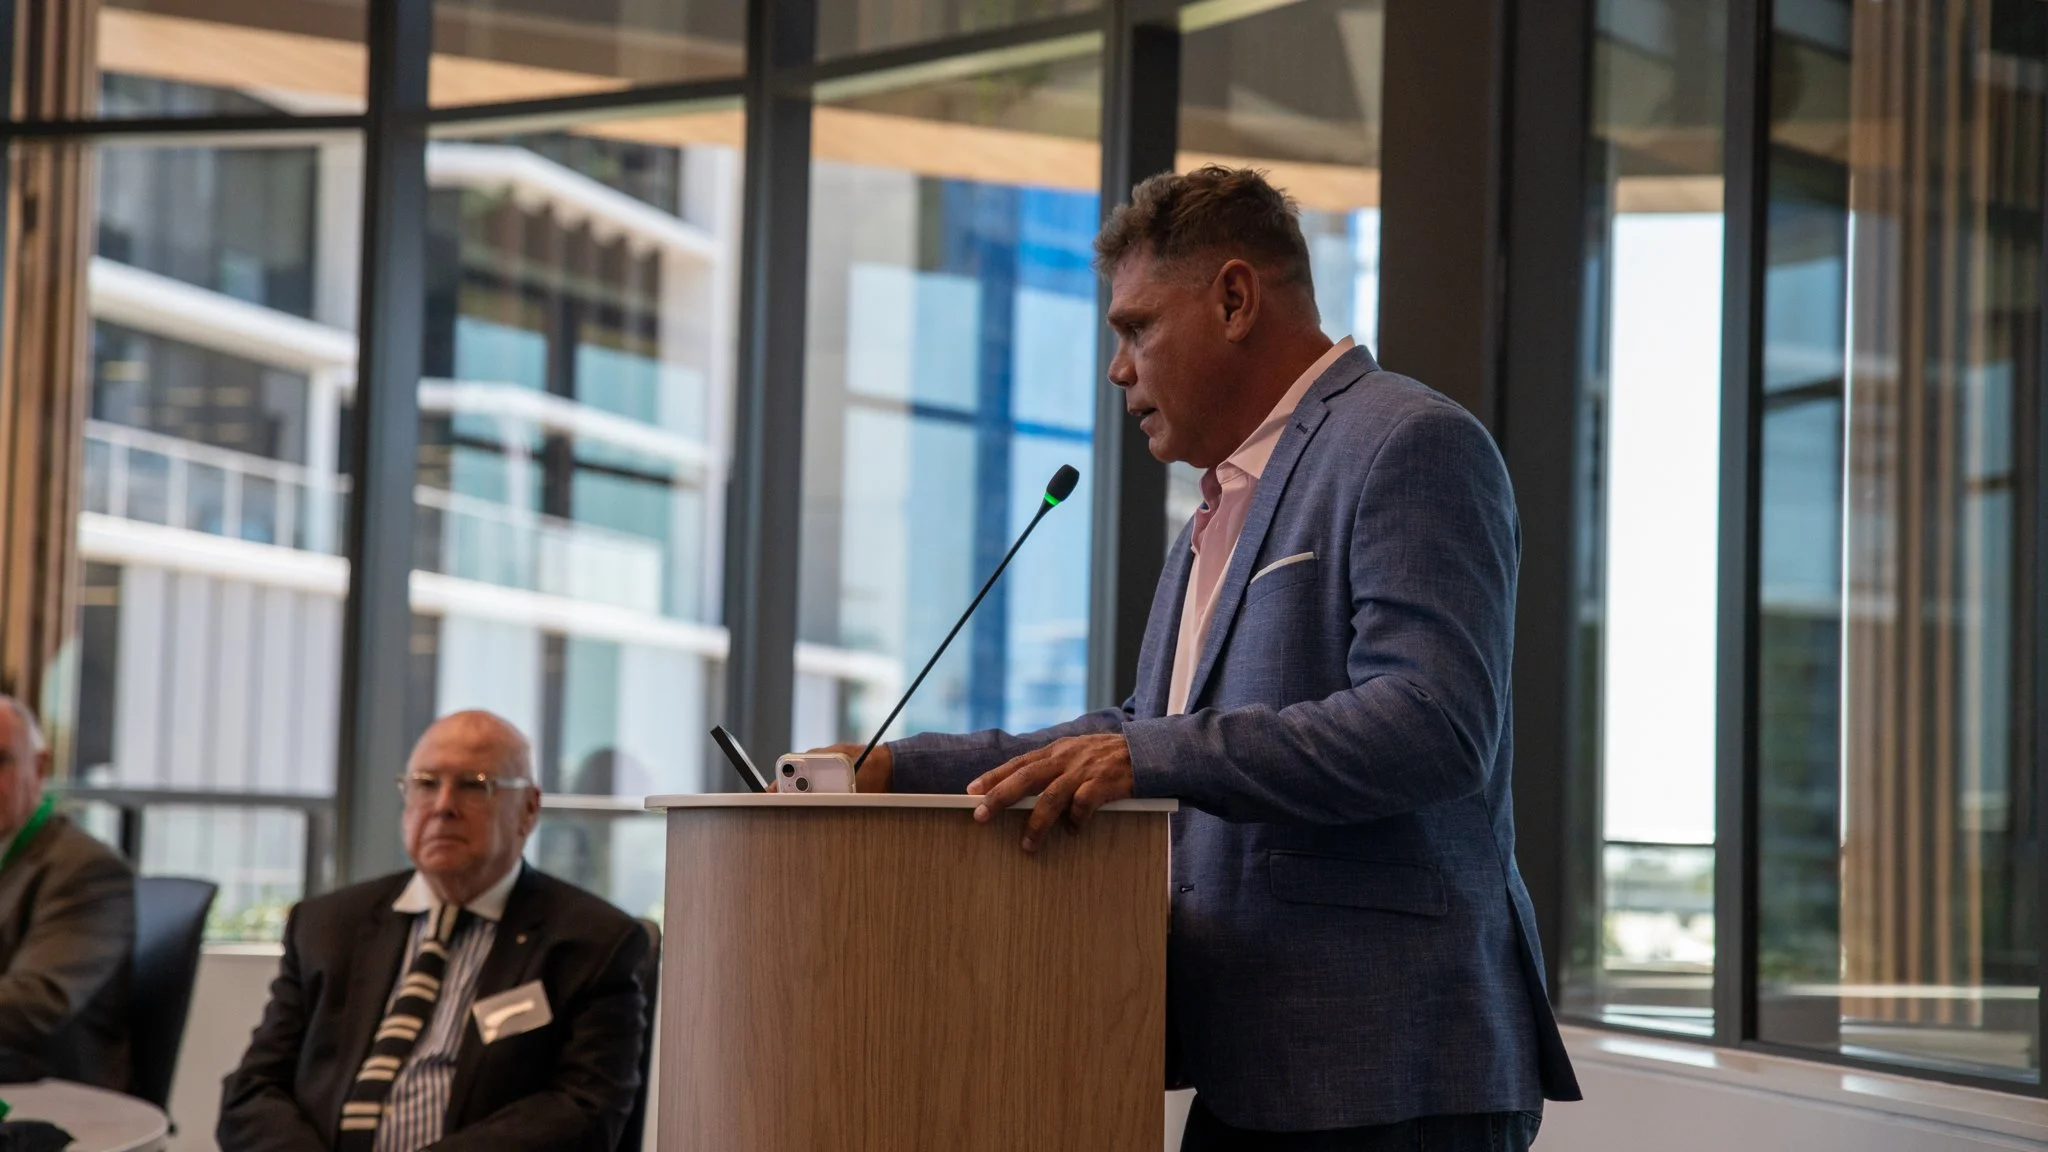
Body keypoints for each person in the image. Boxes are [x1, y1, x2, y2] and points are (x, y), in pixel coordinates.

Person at [818, 167, 1581, 1149]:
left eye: (1136, 328)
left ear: (1232, 299)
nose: (1116, 370)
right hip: (1248, 1066)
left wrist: (1151, 756)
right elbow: (1145, 730)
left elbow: (1429, 725)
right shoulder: (1217, 509)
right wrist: (895, 769)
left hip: (1389, 1069)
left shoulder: (1409, 442)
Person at [219, 711, 649, 1152]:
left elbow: (583, 1110)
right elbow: (252, 1091)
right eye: (426, 784)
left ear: (528, 809)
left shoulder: (592, 942)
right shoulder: (328, 926)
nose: (443, 806)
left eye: (473, 785)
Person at [0, 694, 134, 1089]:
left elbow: (36, 1003)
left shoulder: (85, 868)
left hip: (50, 1092)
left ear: (39, 767)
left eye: (1, 761)